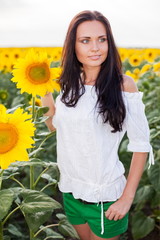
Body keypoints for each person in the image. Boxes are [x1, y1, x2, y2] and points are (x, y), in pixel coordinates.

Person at [41, 10, 154, 240]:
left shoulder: (124, 86)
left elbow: (141, 144)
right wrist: (41, 89)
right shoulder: (69, 84)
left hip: (106, 198)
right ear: (73, 46)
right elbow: (54, 126)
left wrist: (126, 199)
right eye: (85, 41)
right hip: (71, 193)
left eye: (101, 39)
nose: (95, 47)